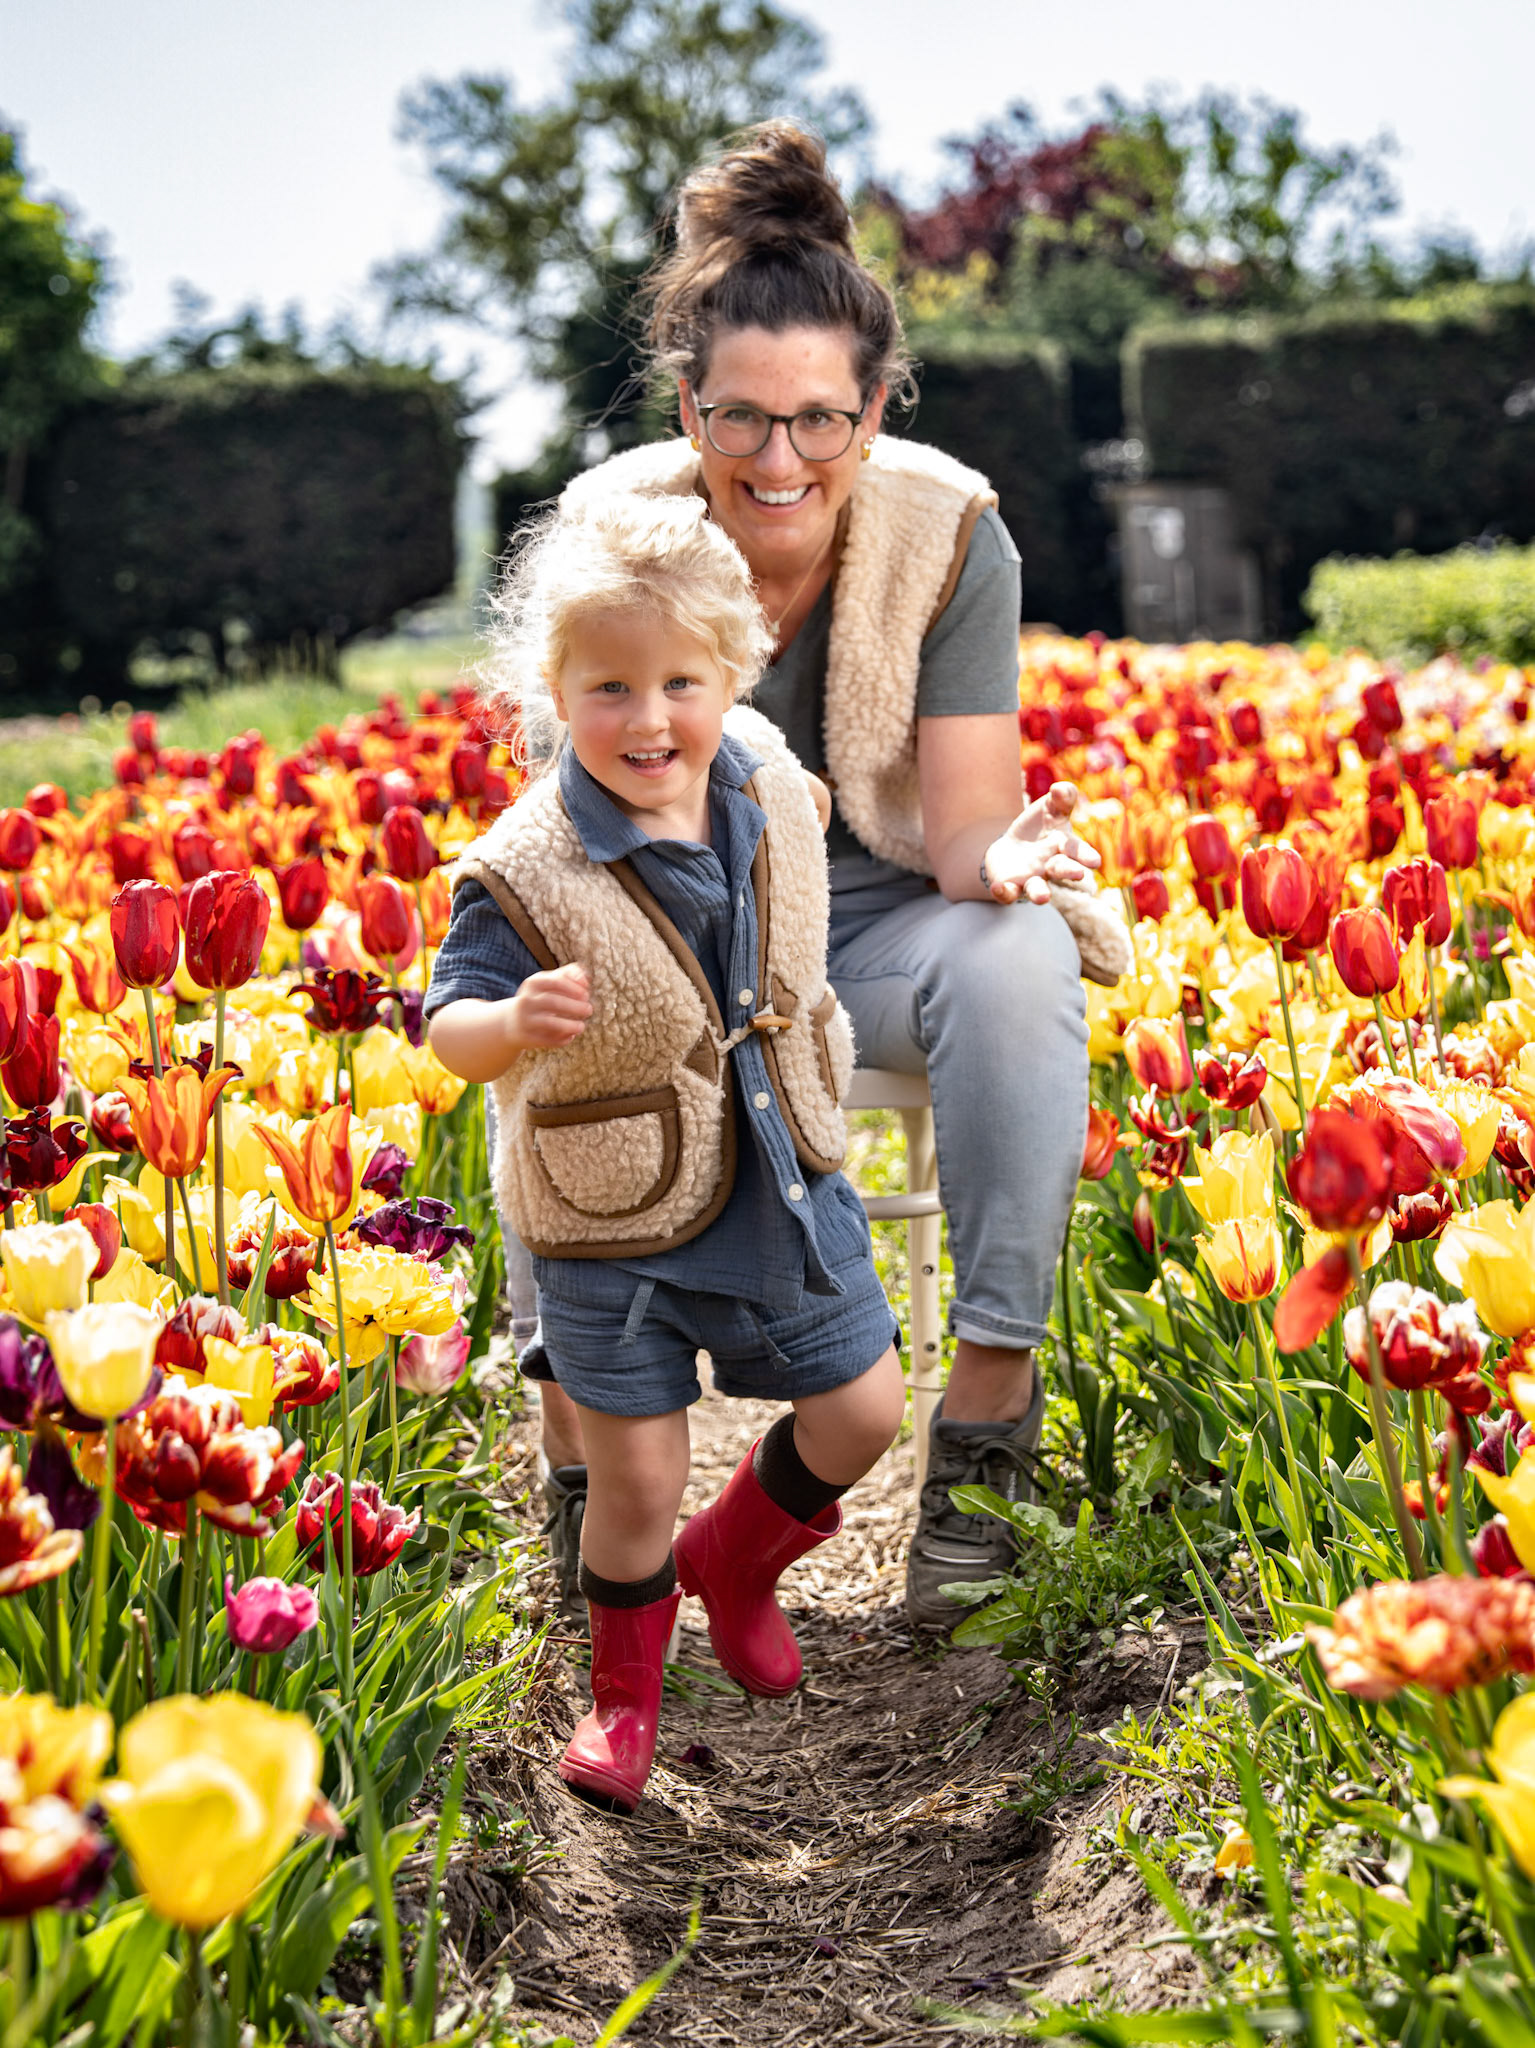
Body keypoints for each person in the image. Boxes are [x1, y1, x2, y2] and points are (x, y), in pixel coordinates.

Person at [505, 119, 1126, 1633]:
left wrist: (1018, 859)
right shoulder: (617, 534)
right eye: (742, 421)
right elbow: (568, 830)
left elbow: (968, 832)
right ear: (685, 406)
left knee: (1027, 957)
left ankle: (986, 1426)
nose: (779, 463)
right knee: (549, 999)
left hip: (880, 920)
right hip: (672, 927)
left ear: (875, 408)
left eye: (821, 422)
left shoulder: (949, 534)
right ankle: (583, 1453)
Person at [427, 492, 906, 1811]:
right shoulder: (526, 866)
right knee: (635, 1477)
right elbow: (446, 1024)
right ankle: (621, 1706)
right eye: (609, 688)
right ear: (555, 687)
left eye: (679, 683)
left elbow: (790, 807)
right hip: (611, 1212)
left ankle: (739, 1560)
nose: (648, 721)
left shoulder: (753, 772)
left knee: (863, 1409)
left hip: (776, 1167)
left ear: (735, 675)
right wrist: (506, 1021)